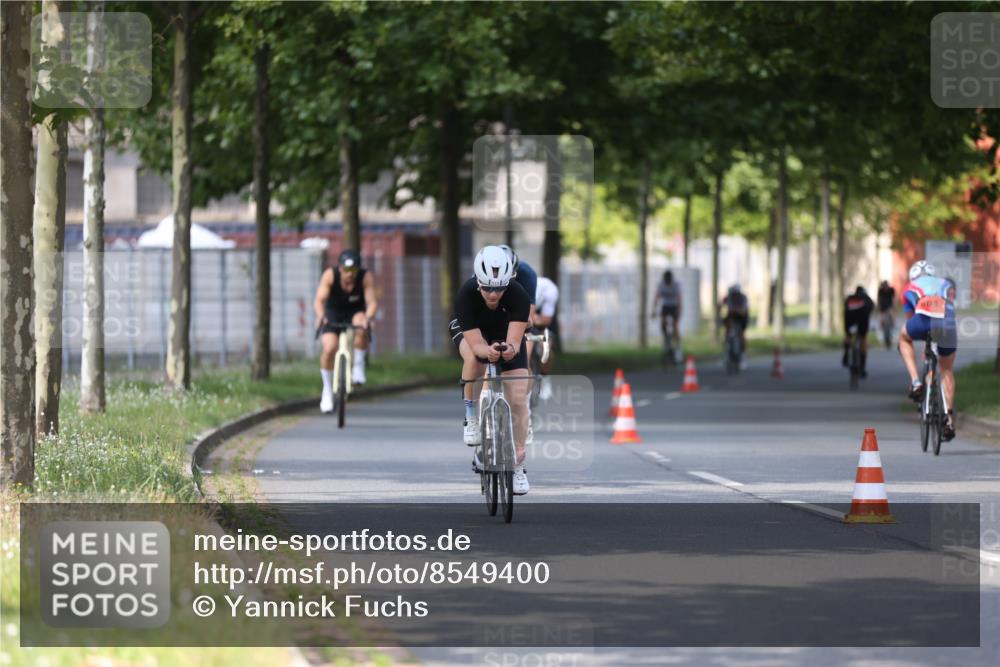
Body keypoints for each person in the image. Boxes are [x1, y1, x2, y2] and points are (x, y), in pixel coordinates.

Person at [448, 245, 532, 495]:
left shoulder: (518, 295)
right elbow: (476, 345)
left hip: (504, 333)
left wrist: (509, 350)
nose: (493, 294)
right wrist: (488, 352)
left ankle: (518, 465)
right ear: (478, 282)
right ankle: (471, 416)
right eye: (487, 287)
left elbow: (516, 343)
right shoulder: (465, 295)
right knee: (476, 360)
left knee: (518, 398)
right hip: (475, 332)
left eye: (499, 288)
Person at [898, 260, 958, 441]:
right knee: (946, 369)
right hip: (947, 323)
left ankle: (916, 381)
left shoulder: (909, 287)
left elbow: (911, 318)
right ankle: (948, 419)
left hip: (923, 319)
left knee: (904, 337)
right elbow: (950, 307)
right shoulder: (945, 283)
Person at [314, 249, 378, 412]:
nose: (350, 274)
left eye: (353, 270)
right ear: (340, 268)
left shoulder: (365, 277)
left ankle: (358, 367)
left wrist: (368, 317)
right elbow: (320, 300)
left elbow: (371, 303)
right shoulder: (330, 275)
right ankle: (327, 390)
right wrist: (321, 316)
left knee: (361, 324)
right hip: (333, 313)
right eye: (346, 270)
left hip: (355, 312)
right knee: (329, 348)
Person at [532, 275, 560, 400]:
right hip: (524, 318)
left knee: (546, 347)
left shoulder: (550, 289)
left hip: (541, 321)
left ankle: (545, 378)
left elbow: (546, 320)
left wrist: (533, 319)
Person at [842, 285, 875, 378]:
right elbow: (871, 308)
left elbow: (845, 308)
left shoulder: (849, 298)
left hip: (849, 320)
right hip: (862, 321)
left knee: (848, 334)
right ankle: (862, 366)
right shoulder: (867, 299)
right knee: (863, 338)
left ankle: (846, 353)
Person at [651, 270, 682, 353]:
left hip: (674, 306)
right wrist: (653, 310)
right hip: (665, 306)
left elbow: (679, 299)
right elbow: (657, 298)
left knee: (675, 325)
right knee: (663, 322)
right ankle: (666, 338)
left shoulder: (676, 285)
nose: (668, 283)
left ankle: (678, 345)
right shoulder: (661, 285)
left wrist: (679, 311)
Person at [719, 284, 749, 364]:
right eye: (732, 295)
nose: (734, 296)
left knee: (742, 334)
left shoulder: (743, 298)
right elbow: (721, 305)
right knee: (727, 328)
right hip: (731, 316)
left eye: (735, 294)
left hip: (742, 317)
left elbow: (743, 311)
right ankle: (727, 347)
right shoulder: (728, 297)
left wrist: (735, 310)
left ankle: (743, 354)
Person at [877, 280, 896, 349]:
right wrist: (879, 308)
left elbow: (893, 299)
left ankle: (893, 325)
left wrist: (894, 307)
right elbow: (879, 299)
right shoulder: (880, 290)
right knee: (881, 318)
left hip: (889, 306)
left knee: (892, 315)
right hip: (882, 307)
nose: (885, 288)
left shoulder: (891, 290)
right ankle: (881, 326)